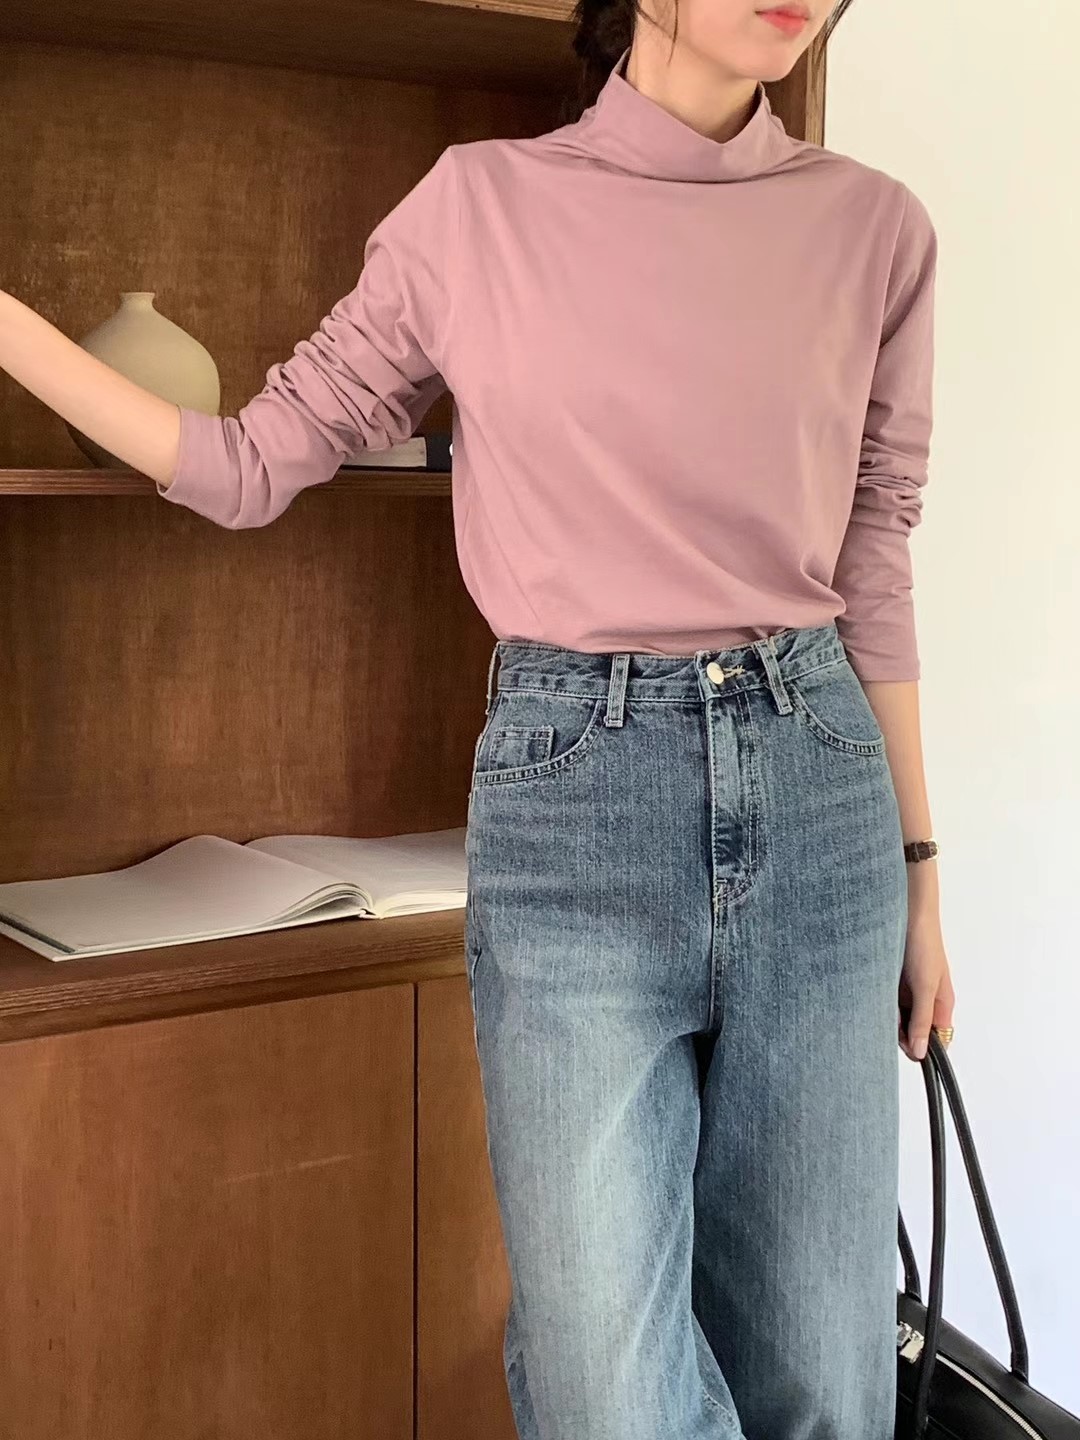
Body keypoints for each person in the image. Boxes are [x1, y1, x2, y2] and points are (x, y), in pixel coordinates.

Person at [0, 0, 957, 1434]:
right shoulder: (477, 208)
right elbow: (249, 465)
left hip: (820, 782)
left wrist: (922, 878)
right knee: (603, 1391)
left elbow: (873, 555)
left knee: (825, 1373)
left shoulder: (874, 226)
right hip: (579, 795)